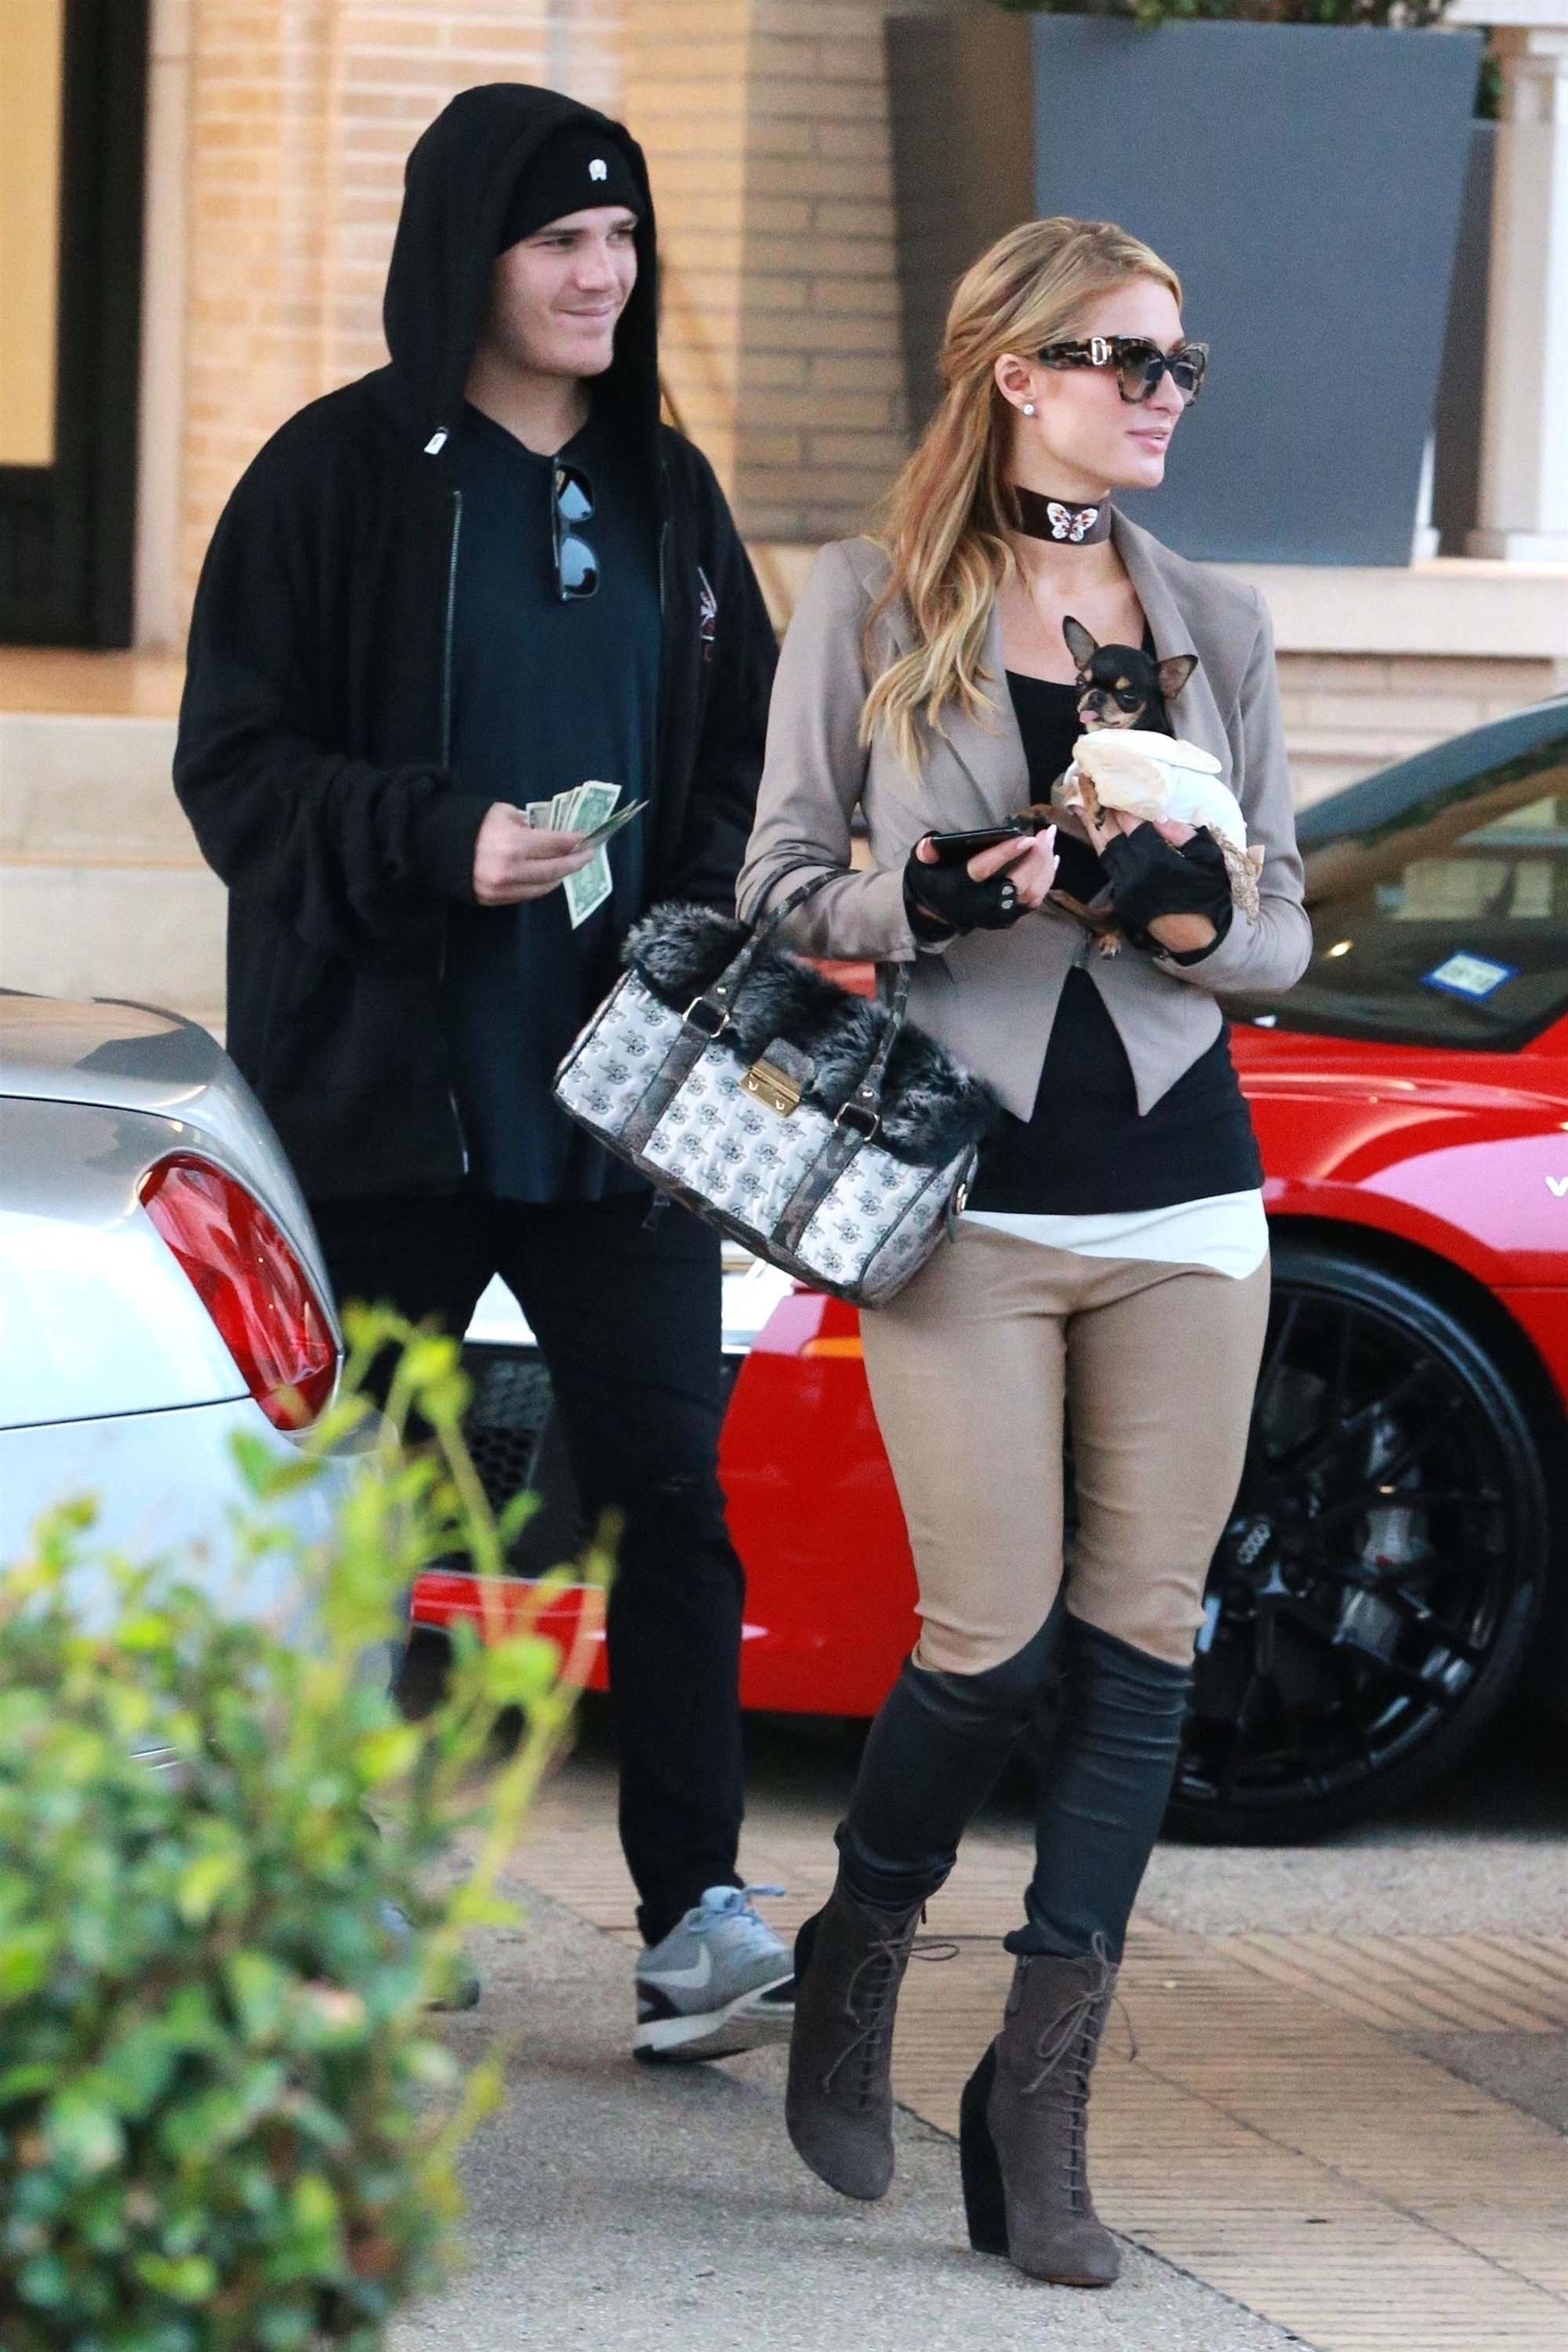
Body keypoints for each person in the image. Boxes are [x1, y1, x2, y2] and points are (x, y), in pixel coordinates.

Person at [175, 83, 793, 2064]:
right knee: (353, 1506)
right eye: (560, 242)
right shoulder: (332, 478)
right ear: (472, 254)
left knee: (672, 1497)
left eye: (622, 239)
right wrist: (438, 842)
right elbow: (235, 770)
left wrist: (690, 920)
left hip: (622, 1107)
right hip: (388, 1097)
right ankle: (341, 1879)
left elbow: (741, 766)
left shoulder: (673, 494)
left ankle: (698, 1916)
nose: (603, 274)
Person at [737, 216, 1310, 2281]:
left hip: (1186, 1198)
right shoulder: (869, 596)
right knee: (986, 1638)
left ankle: (1037, 2106)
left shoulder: (1215, 619)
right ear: (1016, 373)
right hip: (962, 1194)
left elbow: (1282, 929)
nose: (1163, 394)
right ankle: (859, 1953)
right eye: (1124, 359)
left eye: (1179, 364)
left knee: (1145, 1647)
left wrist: (1179, 915)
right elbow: (779, 880)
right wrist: (938, 896)